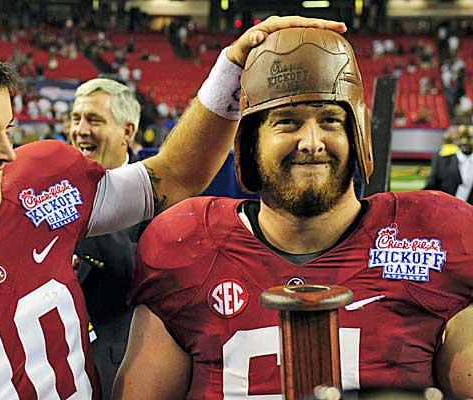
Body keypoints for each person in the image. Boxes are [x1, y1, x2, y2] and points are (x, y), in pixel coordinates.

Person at [0, 17, 347, 399]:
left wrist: (231, 69)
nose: (8, 153)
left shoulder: (39, 188)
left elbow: (173, 176)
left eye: (7, 131)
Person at [114, 27, 473, 400]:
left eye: (330, 120)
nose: (312, 142)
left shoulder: (433, 237)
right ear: (251, 142)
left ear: (357, 136)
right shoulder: (186, 244)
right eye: (287, 121)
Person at [68, 78, 143, 399]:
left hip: (113, 368)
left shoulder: (154, 193)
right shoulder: (54, 184)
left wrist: (73, 209)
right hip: (45, 361)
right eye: (75, 118)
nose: (81, 130)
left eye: (94, 120)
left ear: (127, 132)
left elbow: (138, 272)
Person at [424, 124, 473, 204]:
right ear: (456, 139)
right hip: (447, 212)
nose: (464, 142)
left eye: (469, 138)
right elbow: (431, 187)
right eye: (461, 137)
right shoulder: (441, 160)